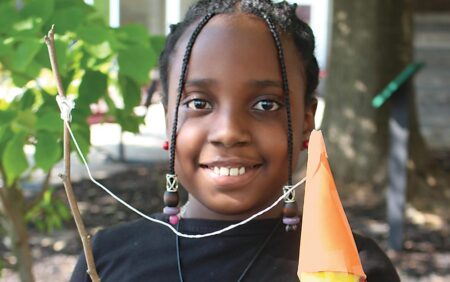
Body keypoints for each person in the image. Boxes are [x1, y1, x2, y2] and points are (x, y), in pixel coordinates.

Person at [71, 1, 400, 281]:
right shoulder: (107, 261)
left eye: (265, 104)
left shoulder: (354, 267)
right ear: (168, 117)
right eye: (199, 103)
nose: (228, 132)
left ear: (305, 123)